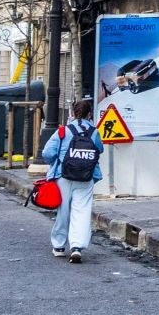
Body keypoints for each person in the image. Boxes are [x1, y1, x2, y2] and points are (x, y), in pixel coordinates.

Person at [38, 98, 104, 263]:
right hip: (86, 177)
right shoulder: (94, 132)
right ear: (90, 114)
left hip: (64, 176)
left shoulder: (63, 131)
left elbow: (47, 153)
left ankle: (59, 246)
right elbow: (100, 149)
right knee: (82, 210)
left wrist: (57, 161)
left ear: (73, 113)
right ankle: (77, 247)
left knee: (63, 211)